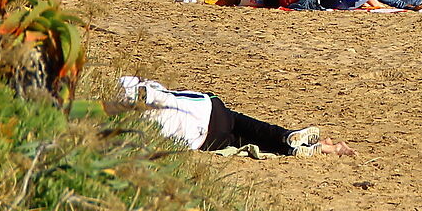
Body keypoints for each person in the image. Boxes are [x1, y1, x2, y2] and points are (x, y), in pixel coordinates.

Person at [119, 76, 349, 158]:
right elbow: (157, 90)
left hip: (202, 141)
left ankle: (308, 148)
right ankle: (287, 136)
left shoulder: (124, 131)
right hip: (207, 111)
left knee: (241, 141)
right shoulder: (124, 86)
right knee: (243, 124)